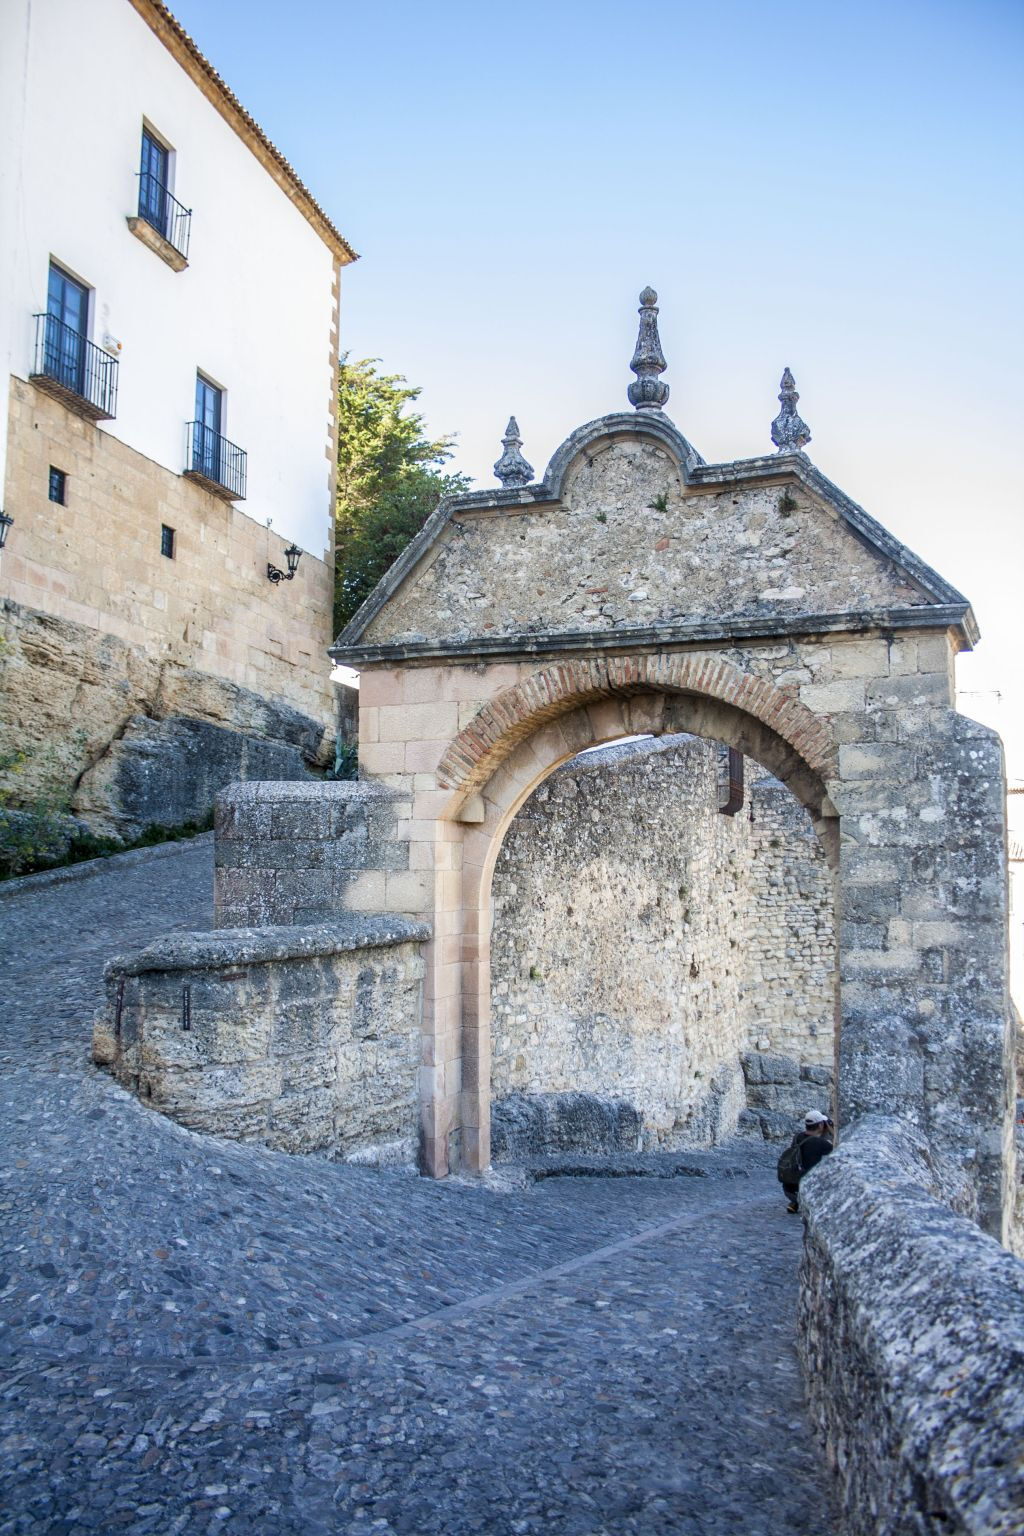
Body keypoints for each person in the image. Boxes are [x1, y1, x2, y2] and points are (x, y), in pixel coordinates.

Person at [779, 1109, 833, 1213]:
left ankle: (795, 1202)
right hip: (807, 1191)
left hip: (788, 1189)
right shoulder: (823, 1144)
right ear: (821, 1125)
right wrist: (831, 1129)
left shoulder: (797, 1137)